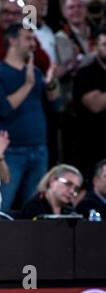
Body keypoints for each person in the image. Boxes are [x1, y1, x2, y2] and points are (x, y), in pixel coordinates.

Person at [0, 24, 61, 211]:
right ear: (12, 40)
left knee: (34, 208)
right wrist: (27, 85)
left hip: (39, 148)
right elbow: (3, 108)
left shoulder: (35, 72)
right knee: (2, 204)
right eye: (28, 38)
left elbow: (55, 106)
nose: (33, 44)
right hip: (11, 151)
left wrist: (50, 85)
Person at [72, 27, 106, 180]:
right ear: (95, 47)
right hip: (92, 147)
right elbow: (96, 105)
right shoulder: (85, 74)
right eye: (105, 44)